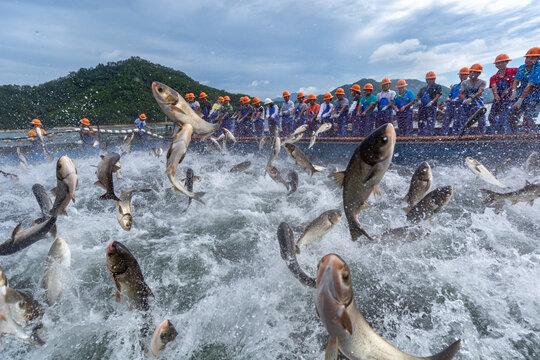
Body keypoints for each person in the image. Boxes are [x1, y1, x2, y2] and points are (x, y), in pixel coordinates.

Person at [508, 47, 540, 134]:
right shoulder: (522, 68)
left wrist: (520, 100)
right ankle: (514, 136)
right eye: (527, 57)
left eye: (532, 58)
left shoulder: (538, 68)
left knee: (528, 120)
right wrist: (514, 92)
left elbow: (529, 86)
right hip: (521, 95)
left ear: (538, 58)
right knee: (511, 118)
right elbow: (516, 81)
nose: (528, 60)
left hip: (536, 98)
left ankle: (532, 138)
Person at [486, 55, 517, 134]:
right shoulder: (494, 77)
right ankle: (498, 132)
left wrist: (509, 89)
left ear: (506, 62)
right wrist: (496, 95)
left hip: (510, 99)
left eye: (501, 62)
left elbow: (518, 81)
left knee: (504, 118)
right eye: (497, 63)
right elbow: (494, 86)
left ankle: (508, 134)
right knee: (491, 117)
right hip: (499, 99)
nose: (499, 64)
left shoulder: (514, 71)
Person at [459, 64, 487, 135]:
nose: (476, 74)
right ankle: (464, 136)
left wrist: (471, 98)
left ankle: (481, 135)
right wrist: (465, 100)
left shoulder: (482, 82)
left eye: (478, 72)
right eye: (474, 72)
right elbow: (460, 94)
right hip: (467, 106)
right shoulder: (464, 83)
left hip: (478, 104)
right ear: (470, 72)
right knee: (464, 121)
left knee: (482, 121)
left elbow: (480, 92)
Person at [440, 68, 469, 136]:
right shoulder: (455, 86)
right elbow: (450, 95)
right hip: (451, 105)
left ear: (468, 75)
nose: (462, 76)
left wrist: (458, 98)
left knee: (459, 122)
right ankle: (443, 136)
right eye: (461, 75)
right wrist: (448, 98)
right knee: (446, 122)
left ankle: (461, 136)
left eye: (464, 75)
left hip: (461, 106)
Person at [416, 71, 442, 136]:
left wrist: (432, 102)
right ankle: (421, 135)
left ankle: (429, 136)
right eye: (429, 79)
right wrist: (419, 101)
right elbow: (418, 97)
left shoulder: (437, 87)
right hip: (422, 108)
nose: (431, 80)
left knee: (430, 122)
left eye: (432, 79)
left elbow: (438, 95)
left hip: (431, 108)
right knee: (421, 122)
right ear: (426, 80)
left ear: (434, 79)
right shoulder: (423, 89)